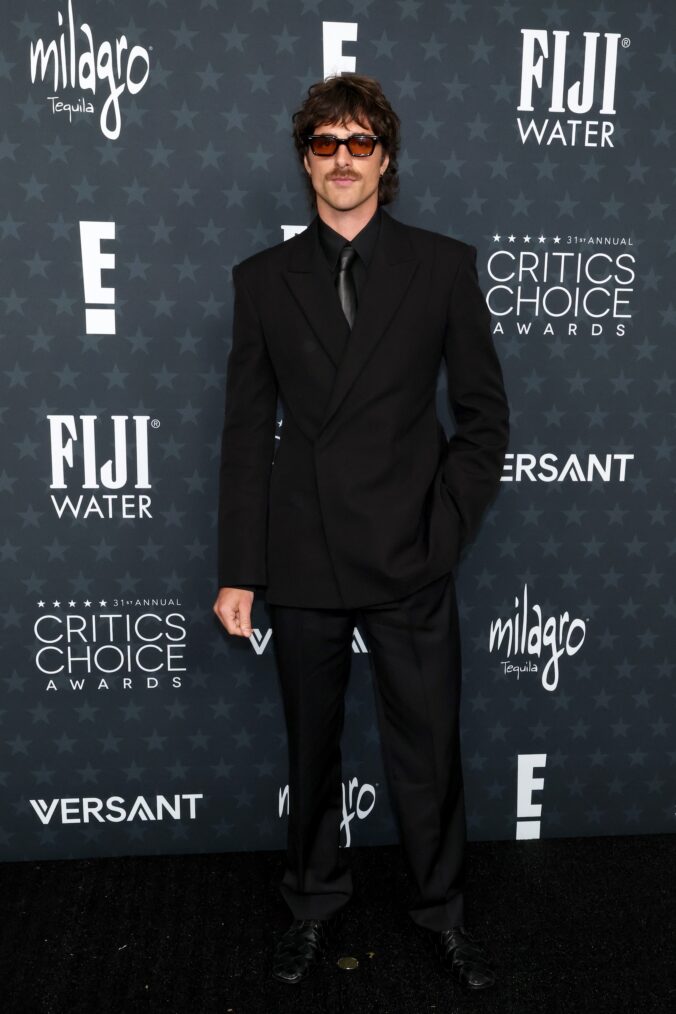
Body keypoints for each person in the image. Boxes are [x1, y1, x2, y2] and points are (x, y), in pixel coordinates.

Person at [213, 73, 509, 992]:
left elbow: (483, 418)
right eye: (325, 145)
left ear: (386, 157)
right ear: (305, 161)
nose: (343, 161)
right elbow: (243, 433)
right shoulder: (262, 282)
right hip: (302, 556)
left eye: (361, 144)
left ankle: (442, 910)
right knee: (311, 745)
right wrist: (240, 570)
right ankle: (311, 900)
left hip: (410, 552)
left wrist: (444, 526)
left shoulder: (443, 265)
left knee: (428, 746)